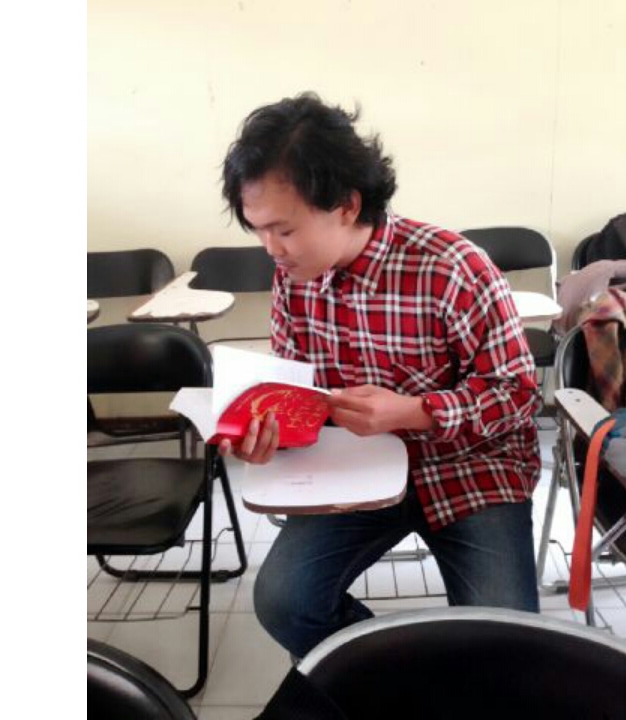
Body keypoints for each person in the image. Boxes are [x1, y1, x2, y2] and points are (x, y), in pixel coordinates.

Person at [220, 92, 542, 659]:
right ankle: (385, 677)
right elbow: (297, 393)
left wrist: (414, 412)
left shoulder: (451, 267)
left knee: (506, 642)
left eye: (284, 230)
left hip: (470, 469)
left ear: (347, 205)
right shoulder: (294, 277)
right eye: (258, 230)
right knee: (283, 602)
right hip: (353, 471)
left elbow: (517, 395)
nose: (271, 250)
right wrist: (267, 434)